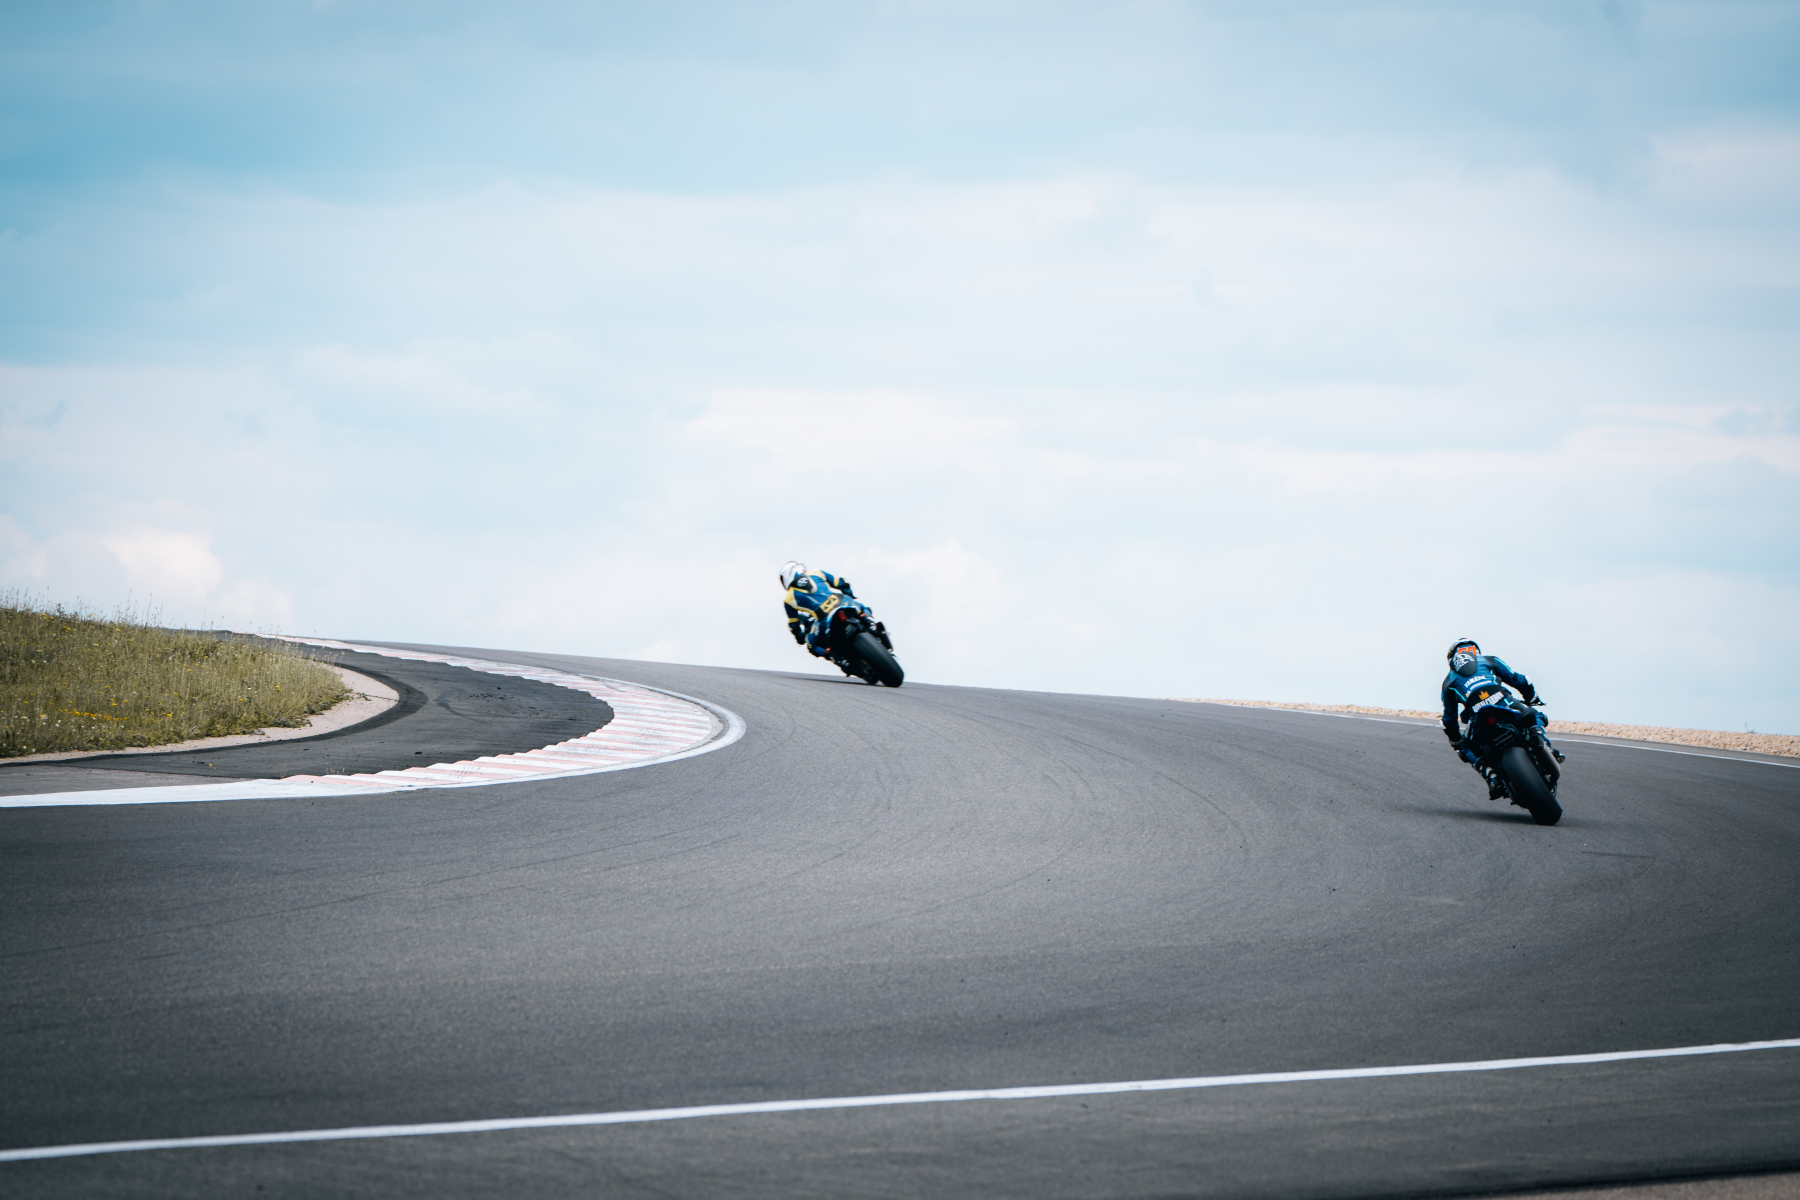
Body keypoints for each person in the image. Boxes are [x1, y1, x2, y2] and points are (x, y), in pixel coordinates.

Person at [1441, 637, 1564, 800]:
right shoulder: (1488, 660)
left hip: (1477, 715)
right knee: (1534, 715)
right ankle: (1541, 740)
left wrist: (1455, 741)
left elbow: (1449, 719)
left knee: (1464, 747)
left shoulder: (1448, 682)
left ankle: (1491, 776)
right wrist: (1531, 696)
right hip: (1504, 702)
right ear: (1475, 651)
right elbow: (1520, 680)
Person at [780, 561, 857, 660]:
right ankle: (870, 623)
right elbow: (842, 583)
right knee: (862, 609)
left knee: (811, 645)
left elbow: (793, 624)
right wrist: (850, 594)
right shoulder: (817, 572)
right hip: (843, 601)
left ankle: (836, 657)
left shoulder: (788, 598)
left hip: (824, 618)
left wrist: (799, 637)